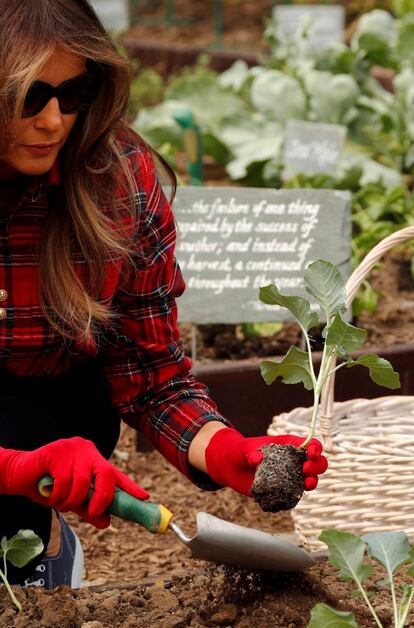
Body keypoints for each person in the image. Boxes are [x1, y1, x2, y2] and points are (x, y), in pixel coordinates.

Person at [0, 0, 328, 590]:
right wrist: (16, 468)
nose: (54, 121)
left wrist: (227, 451)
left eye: (73, 94)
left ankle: (28, 552)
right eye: (29, 98)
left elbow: (150, 372)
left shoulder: (117, 179)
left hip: (53, 411)